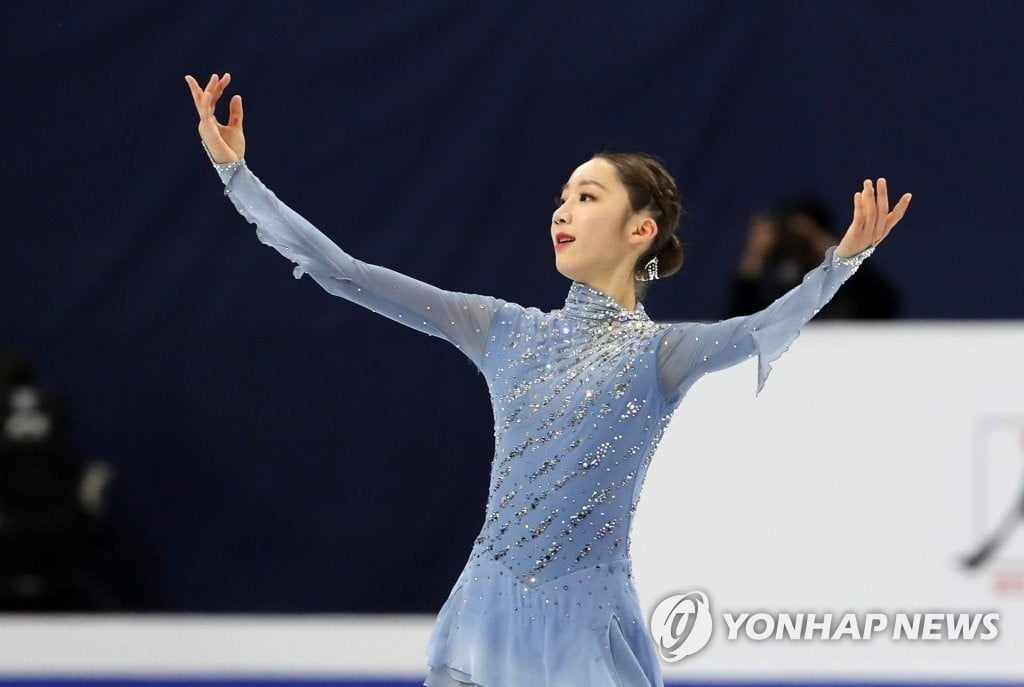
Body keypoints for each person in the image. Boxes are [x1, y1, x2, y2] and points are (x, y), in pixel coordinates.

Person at [184, 72, 912, 687]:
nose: (564, 208)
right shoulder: (503, 329)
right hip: (484, 619)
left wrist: (838, 264)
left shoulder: (659, 355)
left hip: (583, 635)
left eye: (589, 196)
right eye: (563, 196)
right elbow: (345, 273)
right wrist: (237, 177)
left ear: (642, 230)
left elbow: (756, 329)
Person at [731, 196, 903, 319]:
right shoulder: (771, 275)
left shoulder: (849, 276)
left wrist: (838, 254)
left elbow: (885, 307)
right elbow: (737, 320)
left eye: (807, 237)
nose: (799, 244)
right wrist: (755, 255)